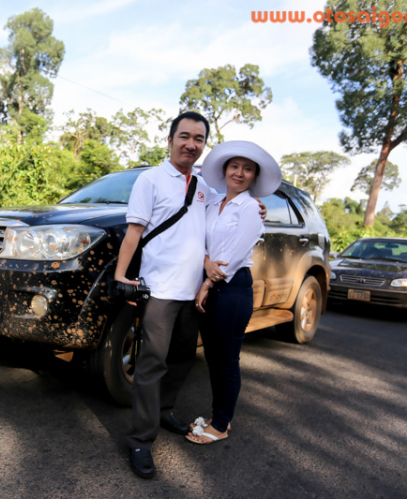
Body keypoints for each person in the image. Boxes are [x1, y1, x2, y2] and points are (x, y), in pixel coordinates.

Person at [114, 111, 216, 478]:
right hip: (159, 289)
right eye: (184, 136)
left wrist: (257, 205)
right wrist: (121, 274)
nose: (191, 144)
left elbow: (226, 210)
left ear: (204, 145)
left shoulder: (204, 186)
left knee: (184, 358)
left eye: (199, 139)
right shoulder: (151, 179)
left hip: (193, 293)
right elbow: (134, 232)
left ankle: (164, 410)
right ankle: (141, 439)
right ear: (170, 140)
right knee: (151, 364)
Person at [185, 141, 283, 445]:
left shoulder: (252, 207)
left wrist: (208, 282)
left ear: (254, 177)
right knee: (213, 357)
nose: (239, 173)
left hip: (232, 287)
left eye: (247, 169)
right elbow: (196, 236)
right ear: (225, 170)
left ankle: (222, 424)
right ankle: (217, 415)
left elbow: (238, 250)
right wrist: (203, 262)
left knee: (227, 360)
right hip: (209, 281)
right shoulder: (212, 202)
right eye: (234, 166)